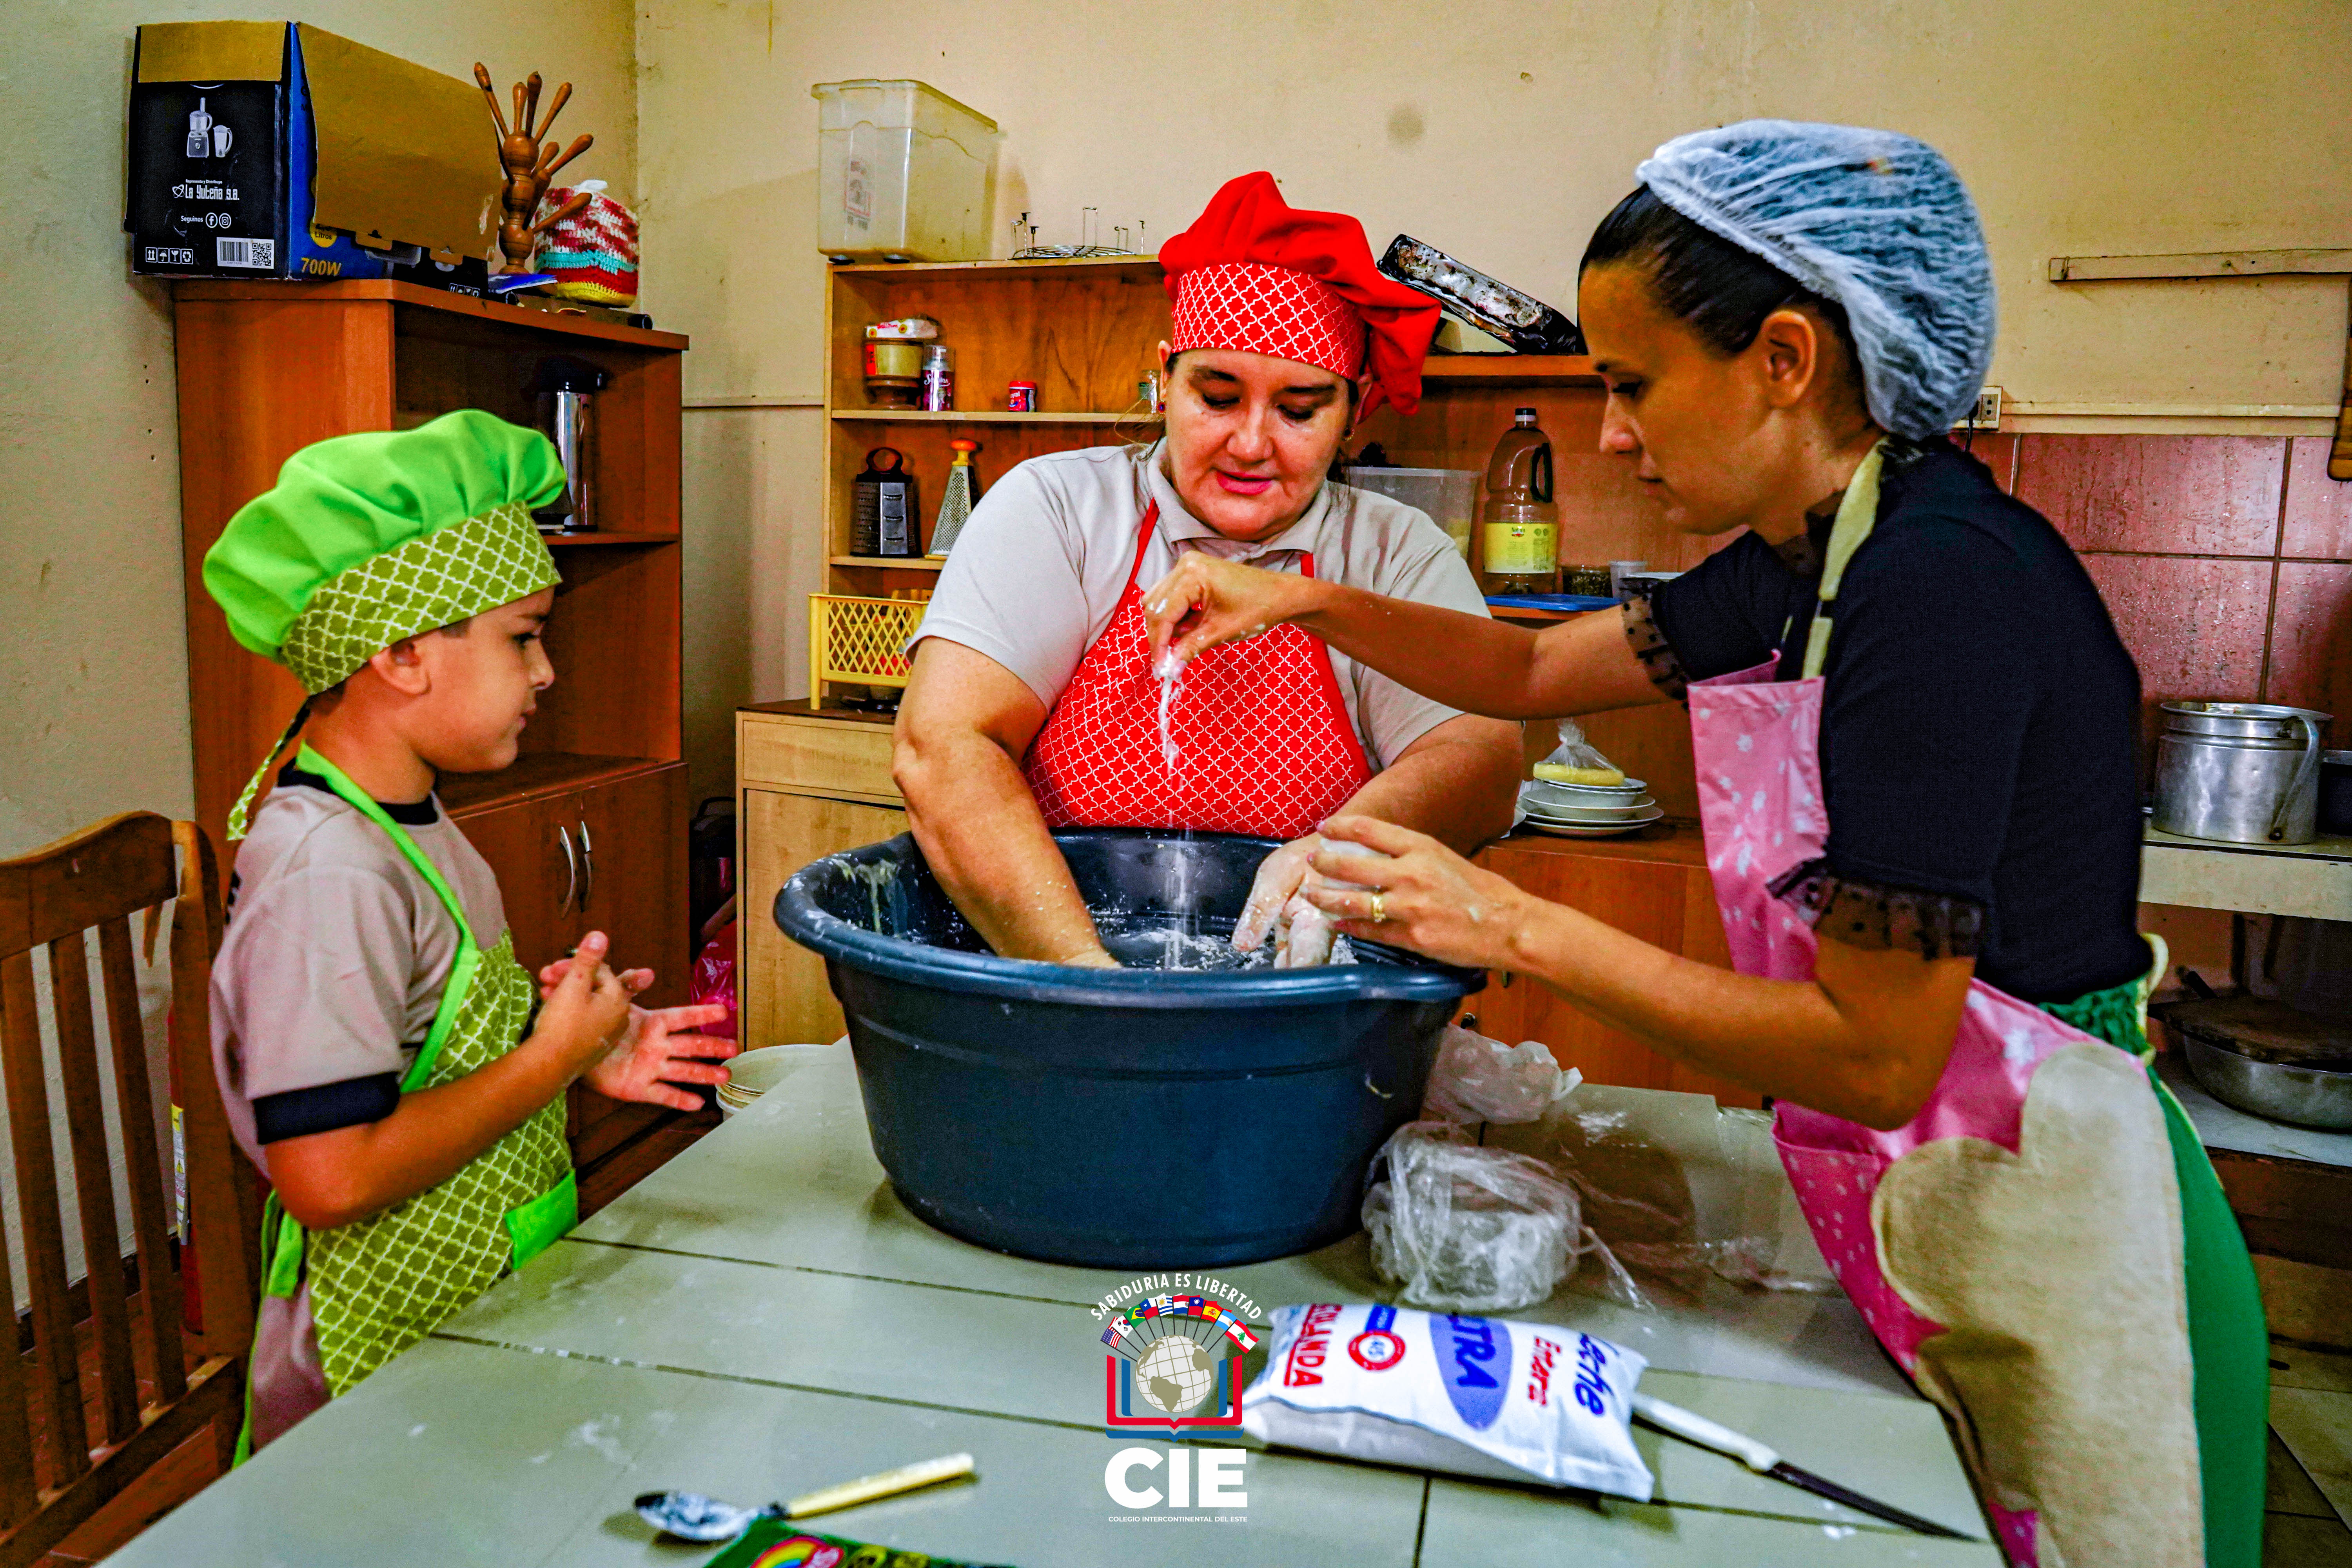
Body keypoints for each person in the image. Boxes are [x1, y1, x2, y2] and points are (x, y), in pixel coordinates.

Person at [1144, 123, 2264, 1568]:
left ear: (1785, 359)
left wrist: (1507, 926)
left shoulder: (1941, 597)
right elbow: (1536, 675)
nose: (1611, 431)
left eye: (1633, 383)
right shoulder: (1818, 553)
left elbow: (1876, 1053)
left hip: (2055, 1228)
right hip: (1942, 1200)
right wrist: (1297, 600)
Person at [204, 412, 736, 1454]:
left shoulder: (411, 817)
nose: (546, 674)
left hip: (466, 1299)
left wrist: (574, 1047)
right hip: (371, 1364)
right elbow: (331, 1177)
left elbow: (421, 1049)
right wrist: (547, 1061)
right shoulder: (328, 873)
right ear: (400, 652)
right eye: (522, 638)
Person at [893, 172, 1522, 969]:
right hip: (1049, 970)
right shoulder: (1061, 512)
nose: (1252, 443)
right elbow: (943, 745)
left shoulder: (1395, 553)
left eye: (1299, 409)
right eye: (1218, 397)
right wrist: (1095, 988)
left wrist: (1336, 850)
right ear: (1165, 379)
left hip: (1307, 1002)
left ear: (1355, 409)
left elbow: (1480, 755)